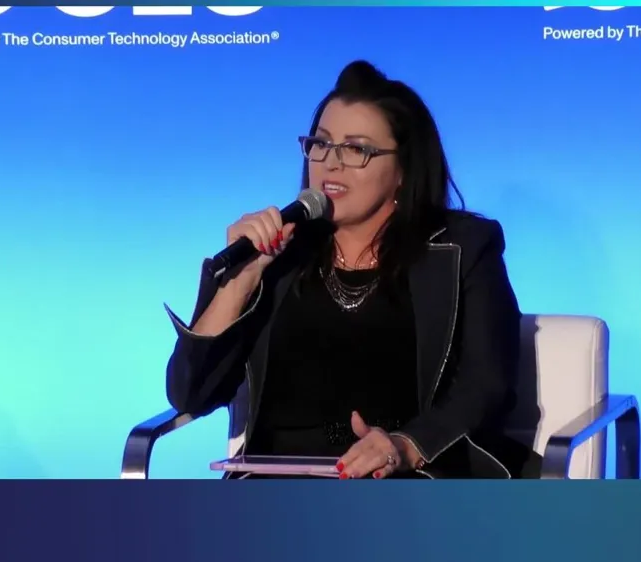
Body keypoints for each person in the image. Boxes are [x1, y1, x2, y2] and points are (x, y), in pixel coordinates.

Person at [165, 60, 527, 479]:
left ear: (403, 171)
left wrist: (406, 446)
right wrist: (239, 283)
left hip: (401, 481)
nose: (330, 163)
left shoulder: (464, 247)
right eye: (320, 144)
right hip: (272, 485)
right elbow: (190, 395)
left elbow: (486, 385)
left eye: (356, 149)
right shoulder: (280, 255)